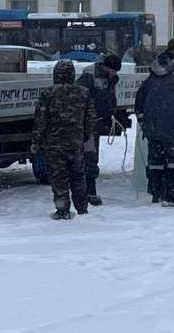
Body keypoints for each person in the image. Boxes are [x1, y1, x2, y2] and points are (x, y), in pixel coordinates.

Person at [31, 59, 96, 219]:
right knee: (78, 177)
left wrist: (36, 141)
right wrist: (84, 136)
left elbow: (40, 120)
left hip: (54, 144)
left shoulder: (48, 93)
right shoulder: (83, 93)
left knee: (59, 179)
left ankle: (62, 209)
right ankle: (82, 208)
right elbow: (90, 118)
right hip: (76, 143)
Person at [135, 47, 174, 203]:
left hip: (152, 124)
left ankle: (156, 193)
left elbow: (140, 98)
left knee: (156, 159)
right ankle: (169, 195)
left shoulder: (154, 75)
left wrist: (143, 119)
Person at [76, 53, 130, 206]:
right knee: (89, 158)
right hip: (87, 125)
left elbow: (108, 98)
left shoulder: (108, 79)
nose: (114, 74)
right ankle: (88, 193)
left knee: (91, 157)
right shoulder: (89, 76)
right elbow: (79, 98)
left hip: (97, 122)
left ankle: (88, 191)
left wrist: (111, 114)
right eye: (113, 70)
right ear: (106, 67)